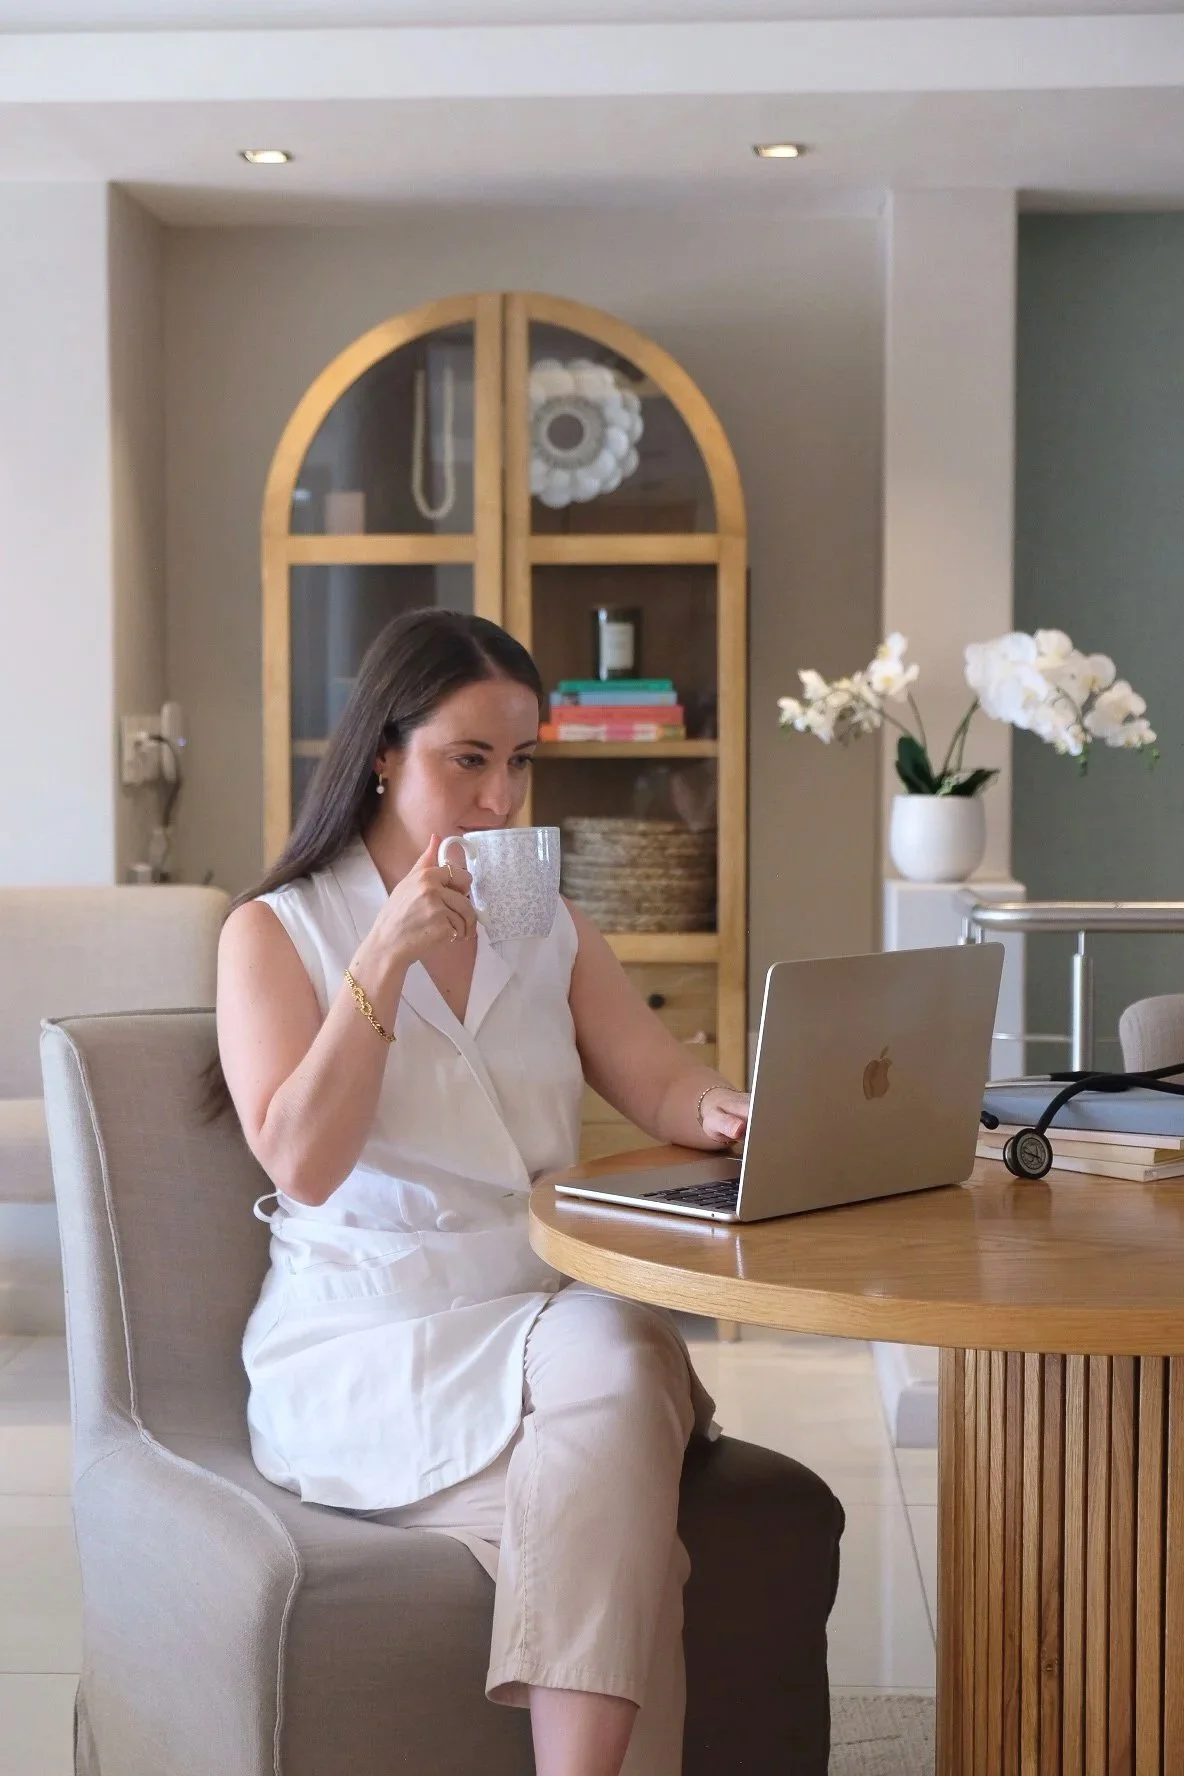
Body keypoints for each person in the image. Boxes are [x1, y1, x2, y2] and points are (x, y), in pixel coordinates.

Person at [215, 608, 751, 1776]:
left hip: (543, 1308)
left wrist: (728, 1111)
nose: (502, 800)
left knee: (615, 1339)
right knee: (634, 1539)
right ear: (382, 754)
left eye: (520, 762)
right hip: (369, 1340)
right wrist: (383, 960)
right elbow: (299, 1161)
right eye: (470, 760)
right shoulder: (275, 932)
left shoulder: (534, 914)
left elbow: (656, 1078)